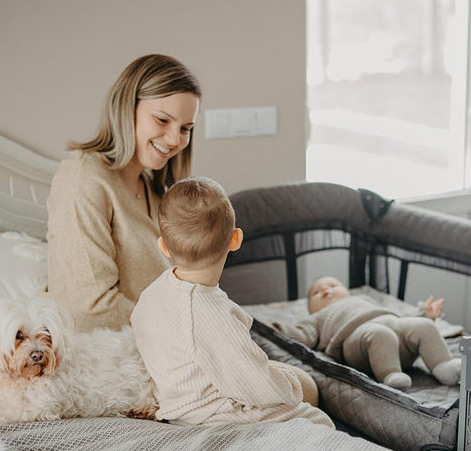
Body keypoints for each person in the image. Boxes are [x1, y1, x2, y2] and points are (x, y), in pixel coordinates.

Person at [131, 177, 334, 427]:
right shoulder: (214, 315)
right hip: (213, 413)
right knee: (317, 417)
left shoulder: (152, 294)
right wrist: (291, 388)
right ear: (235, 239)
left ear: (163, 247)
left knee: (291, 377)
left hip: (177, 398)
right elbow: (255, 387)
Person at [46, 54, 201, 331]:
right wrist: (181, 332)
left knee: (293, 374)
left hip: (172, 345)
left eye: (186, 129)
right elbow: (91, 307)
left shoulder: (155, 190)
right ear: (127, 108)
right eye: (163, 120)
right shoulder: (82, 180)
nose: (175, 139)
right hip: (118, 354)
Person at [274, 276, 461, 389]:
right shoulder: (317, 317)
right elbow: (302, 334)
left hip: (395, 327)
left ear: (347, 291)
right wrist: (275, 329)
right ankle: (391, 374)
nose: (325, 289)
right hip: (358, 343)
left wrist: (424, 315)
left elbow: (403, 317)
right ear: (311, 309)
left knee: (423, 326)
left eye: (332, 285)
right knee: (379, 334)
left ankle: (444, 367)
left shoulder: (363, 298)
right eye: (316, 293)